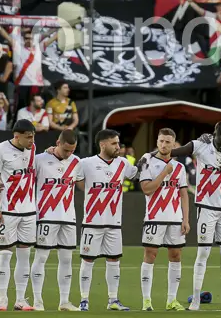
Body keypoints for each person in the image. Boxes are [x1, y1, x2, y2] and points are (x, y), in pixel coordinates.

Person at [167, 121, 221, 310]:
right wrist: (154, 155)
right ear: (213, 135)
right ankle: (195, 300)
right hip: (206, 207)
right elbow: (177, 152)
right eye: (219, 141)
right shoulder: (201, 145)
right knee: (203, 253)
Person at [76, 129, 138, 312]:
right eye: (114, 143)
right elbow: (78, 181)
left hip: (114, 223)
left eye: (118, 143)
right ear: (102, 144)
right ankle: (84, 300)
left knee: (114, 261)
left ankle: (113, 300)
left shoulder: (123, 164)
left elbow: (140, 173)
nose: (118, 147)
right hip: (92, 222)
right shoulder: (86, 163)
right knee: (88, 261)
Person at [0, 119, 38, 312]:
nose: (31, 140)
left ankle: (20, 300)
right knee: (4, 254)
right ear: (16, 136)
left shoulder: (32, 149)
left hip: (29, 211)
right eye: (28, 137)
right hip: (7, 210)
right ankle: (2, 300)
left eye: (33, 136)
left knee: (24, 255)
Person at [137, 128, 190, 311]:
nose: (164, 144)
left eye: (168, 142)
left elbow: (184, 194)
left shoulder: (180, 167)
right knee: (150, 255)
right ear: (157, 142)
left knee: (176, 256)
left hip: (175, 219)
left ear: (174, 144)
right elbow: (147, 189)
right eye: (161, 141)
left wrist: (186, 219)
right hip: (154, 218)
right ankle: (146, 301)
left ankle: (171, 300)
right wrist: (165, 173)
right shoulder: (147, 162)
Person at [30, 130, 80, 312]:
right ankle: (37, 301)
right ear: (57, 143)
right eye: (66, 150)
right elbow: (26, 181)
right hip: (46, 216)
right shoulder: (40, 159)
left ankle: (64, 301)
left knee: (66, 259)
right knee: (41, 257)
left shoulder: (77, 162)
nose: (69, 154)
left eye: (72, 150)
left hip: (68, 218)